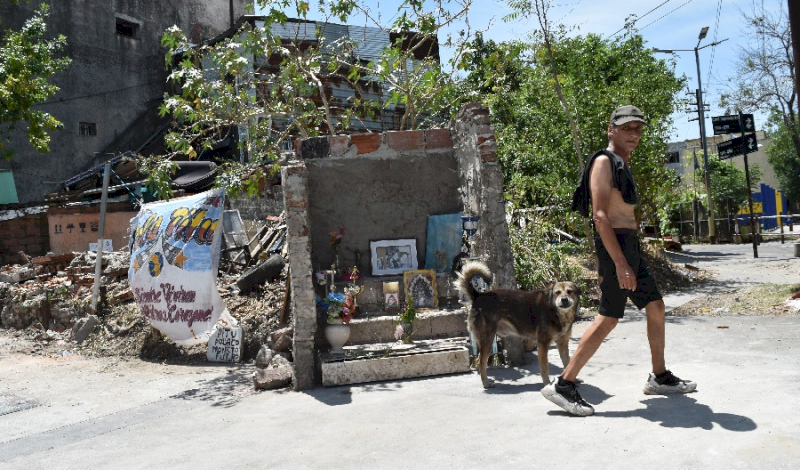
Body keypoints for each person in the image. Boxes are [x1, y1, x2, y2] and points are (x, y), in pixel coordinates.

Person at [541, 105, 697, 416]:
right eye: (627, 128)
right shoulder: (603, 162)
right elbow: (600, 216)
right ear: (611, 130)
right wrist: (621, 264)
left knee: (655, 306)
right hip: (615, 247)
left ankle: (659, 376)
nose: (634, 134)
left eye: (638, 128)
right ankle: (563, 384)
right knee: (609, 316)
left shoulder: (621, 164)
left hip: (629, 246)